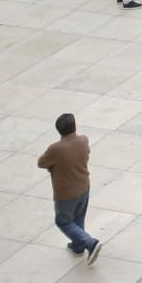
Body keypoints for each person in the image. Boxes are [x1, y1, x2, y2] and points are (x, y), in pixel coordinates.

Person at [37, 114, 102, 266]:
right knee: (78, 218)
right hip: (84, 187)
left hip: (65, 194)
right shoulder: (84, 140)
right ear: (75, 127)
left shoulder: (56, 149)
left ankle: (90, 243)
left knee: (64, 222)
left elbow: (41, 163)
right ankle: (78, 245)